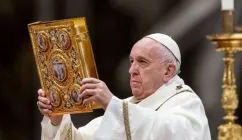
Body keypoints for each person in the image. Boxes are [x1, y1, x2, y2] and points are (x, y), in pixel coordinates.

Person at [37, 33, 211, 140]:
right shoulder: (128, 106)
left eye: (142, 62)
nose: (132, 70)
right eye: (131, 61)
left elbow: (170, 134)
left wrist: (110, 103)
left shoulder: (186, 102)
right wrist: (57, 119)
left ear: (168, 71)